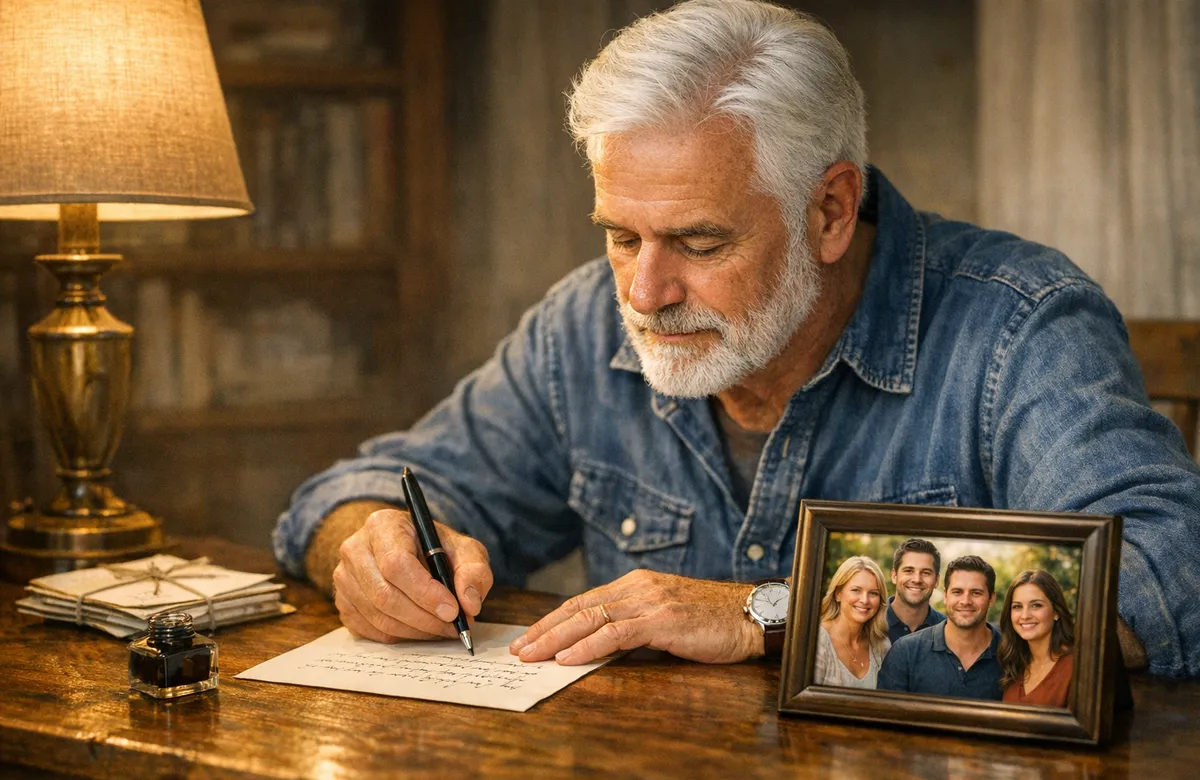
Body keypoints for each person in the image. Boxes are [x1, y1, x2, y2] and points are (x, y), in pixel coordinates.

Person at [272, 0, 1200, 676]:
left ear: (831, 210)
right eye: (619, 233)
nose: (644, 291)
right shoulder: (583, 324)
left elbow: (1168, 572)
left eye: (699, 241)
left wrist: (772, 613)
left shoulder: (1019, 324)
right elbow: (349, 495)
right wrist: (371, 546)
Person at [876, 556, 1003, 700]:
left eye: (976, 593)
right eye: (957, 592)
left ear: (991, 599)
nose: (965, 601)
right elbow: (884, 717)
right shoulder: (905, 652)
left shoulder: (1010, 654)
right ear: (945, 596)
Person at [999, 570, 1075, 708]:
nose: (1025, 615)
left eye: (1036, 605)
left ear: (1056, 612)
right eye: (1017, 607)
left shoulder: (1075, 667)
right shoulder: (1014, 664)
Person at [814, 556, 891, 688]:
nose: (865, 600)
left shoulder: (881, 646)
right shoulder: (816, 641)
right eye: (856, 590)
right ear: (838, 593)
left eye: (873, 593)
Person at [886, 538, 945, 643]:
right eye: (909, 571)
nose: (917, 580)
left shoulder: (947, 629)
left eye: (926, 572)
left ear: (936, 580)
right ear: (894, 576)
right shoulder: (871, 622)